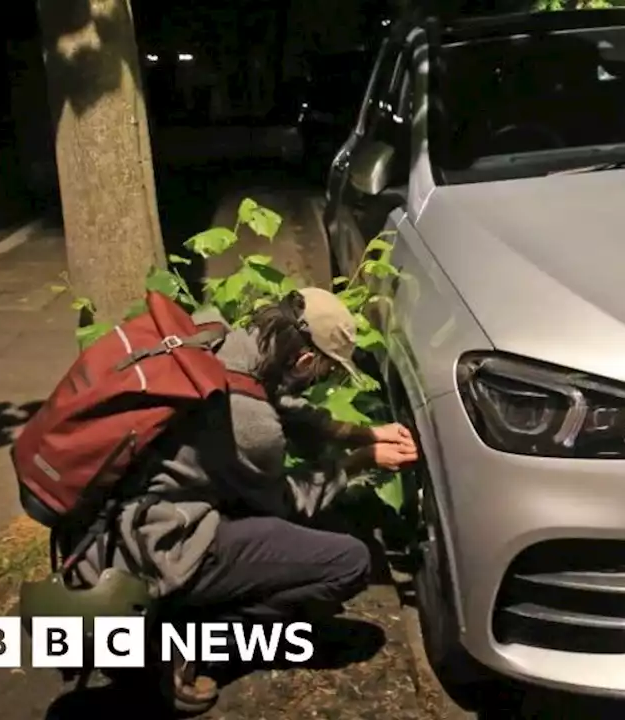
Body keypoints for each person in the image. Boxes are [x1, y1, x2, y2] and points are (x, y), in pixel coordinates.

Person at [70, 287, 418, 711]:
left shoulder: (214, 333)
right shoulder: (253, 426)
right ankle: (177, 646)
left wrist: (360, 433)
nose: (318, 381)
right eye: (323, 373)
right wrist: (359, 461)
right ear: (305, 360)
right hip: (154, 546)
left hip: (99, 529)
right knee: (348, 562)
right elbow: (289, 502)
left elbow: (277, 400)